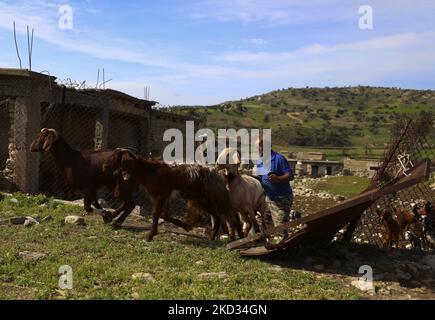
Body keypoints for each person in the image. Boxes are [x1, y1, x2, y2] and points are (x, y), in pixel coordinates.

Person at [256, 137, 294, 241]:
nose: (257, 151)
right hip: (269, 198)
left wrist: (278, 178)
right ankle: (268, 244)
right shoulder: (260, 161)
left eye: (258, 149)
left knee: (280, 227)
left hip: (282, 199)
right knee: (264, 222)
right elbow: (261, 178)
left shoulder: (279, 159)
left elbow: (290, 176)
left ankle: (282, 249)